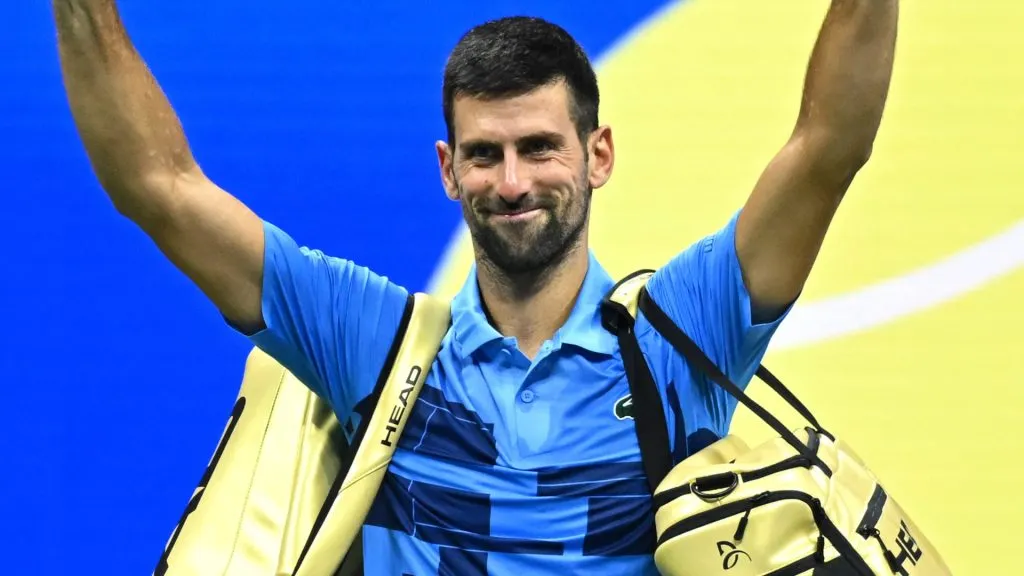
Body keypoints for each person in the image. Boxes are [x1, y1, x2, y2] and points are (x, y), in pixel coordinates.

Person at [53, 0, 897, 573]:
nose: (513, 180)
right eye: (484, 155)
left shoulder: (679, 340)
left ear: (598, 154)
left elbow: (828, 148)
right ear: (447, 170)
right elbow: (158, 187)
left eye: (539, 147)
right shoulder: (373, 346)